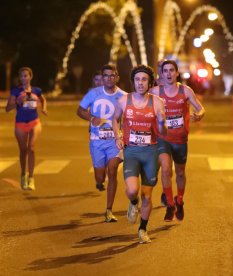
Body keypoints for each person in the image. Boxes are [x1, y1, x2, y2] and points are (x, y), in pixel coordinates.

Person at [112, 64, 167, 243]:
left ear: (150, 82)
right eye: (137, 79)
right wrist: (117, 136)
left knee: (147, 195)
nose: (140, 83)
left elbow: (163, 131)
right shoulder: (123, 101)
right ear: (133, 82)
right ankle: (133, 203)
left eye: (144, 79)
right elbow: (115, 118)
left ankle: (143, 229)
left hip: (151, 152)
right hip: (132, 151)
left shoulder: (157, 102)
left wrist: (162, 122)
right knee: (132, 190)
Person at [151, 60, 205, 222]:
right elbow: (142, 105)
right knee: (166, 169)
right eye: (165, 71)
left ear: (176, 73)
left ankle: (179, 200)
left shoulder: (186, 91)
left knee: (180, 172)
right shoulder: (155, 91)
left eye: (171, 70)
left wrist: (200, 114)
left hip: (181, 139)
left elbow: (200, 108)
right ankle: (169, 203)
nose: (168, 74)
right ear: (161, 74)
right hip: (163, 138)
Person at [77, 64, 127, 223]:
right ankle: (99, 181)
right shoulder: (94, 93)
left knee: (112, 171)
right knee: (100, 177)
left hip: (114, 141)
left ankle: (109, 210)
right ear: (102, 78)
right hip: (97, 141)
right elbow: (80, 110)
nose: (109, 78)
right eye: (106, 75)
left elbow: (129, 117)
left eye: (112, 75)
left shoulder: (124, 96)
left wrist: (125, 133)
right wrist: (92, 119)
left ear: (117, 77)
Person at [5, 67, 47, 191]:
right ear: (20, 78)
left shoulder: (36, 90)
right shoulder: (15, 91)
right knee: (23, 151)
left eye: (26, 76)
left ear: (30, 77)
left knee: (31, 148)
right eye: (21, 76)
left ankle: (31, 178)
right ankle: (24, 174)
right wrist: (18, 102)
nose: (24, 78)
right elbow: (7, 109)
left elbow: (43, 99)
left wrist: (44, 108)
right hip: (20, 123)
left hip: (34, 122)